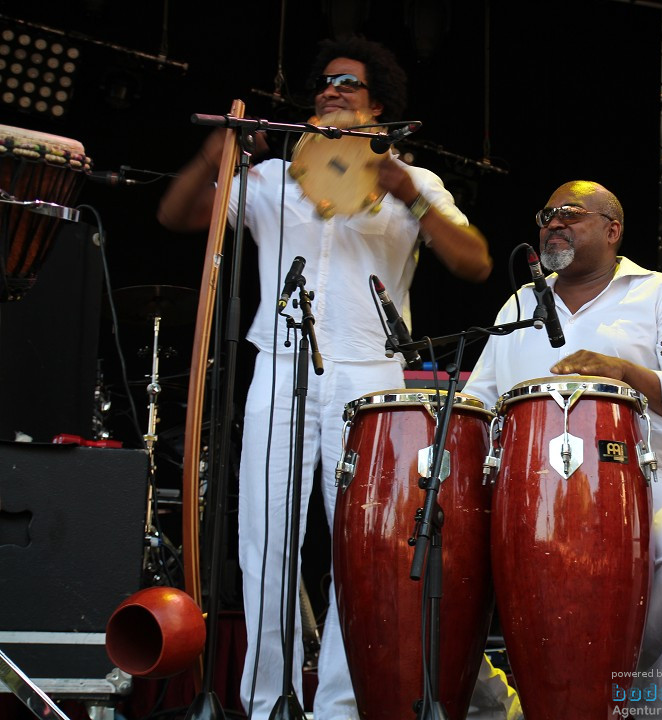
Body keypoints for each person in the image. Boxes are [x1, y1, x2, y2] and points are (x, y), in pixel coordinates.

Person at [156, 36, 492, 720]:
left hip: (372, 379)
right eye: (326, 83)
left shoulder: (414, 182)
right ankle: (263, 700)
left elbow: (476, 262)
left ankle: (341, 704)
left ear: (381, 106)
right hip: (280, 366)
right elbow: (180, 216)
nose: (333, 90)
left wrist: (404, 191)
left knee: (361, 548)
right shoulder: (274, 176)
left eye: (350, 84)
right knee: (264, 537)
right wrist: (217, 154)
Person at [462, 180, 662, 718]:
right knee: (437, 560)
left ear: (612, 229)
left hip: (635, 484)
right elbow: (478, 402)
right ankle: (497, 706)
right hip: (526, 496)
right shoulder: (519, 302)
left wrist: (627, 372)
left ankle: (651, 709)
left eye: (569, 214)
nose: (552, 223)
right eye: (546, 213)